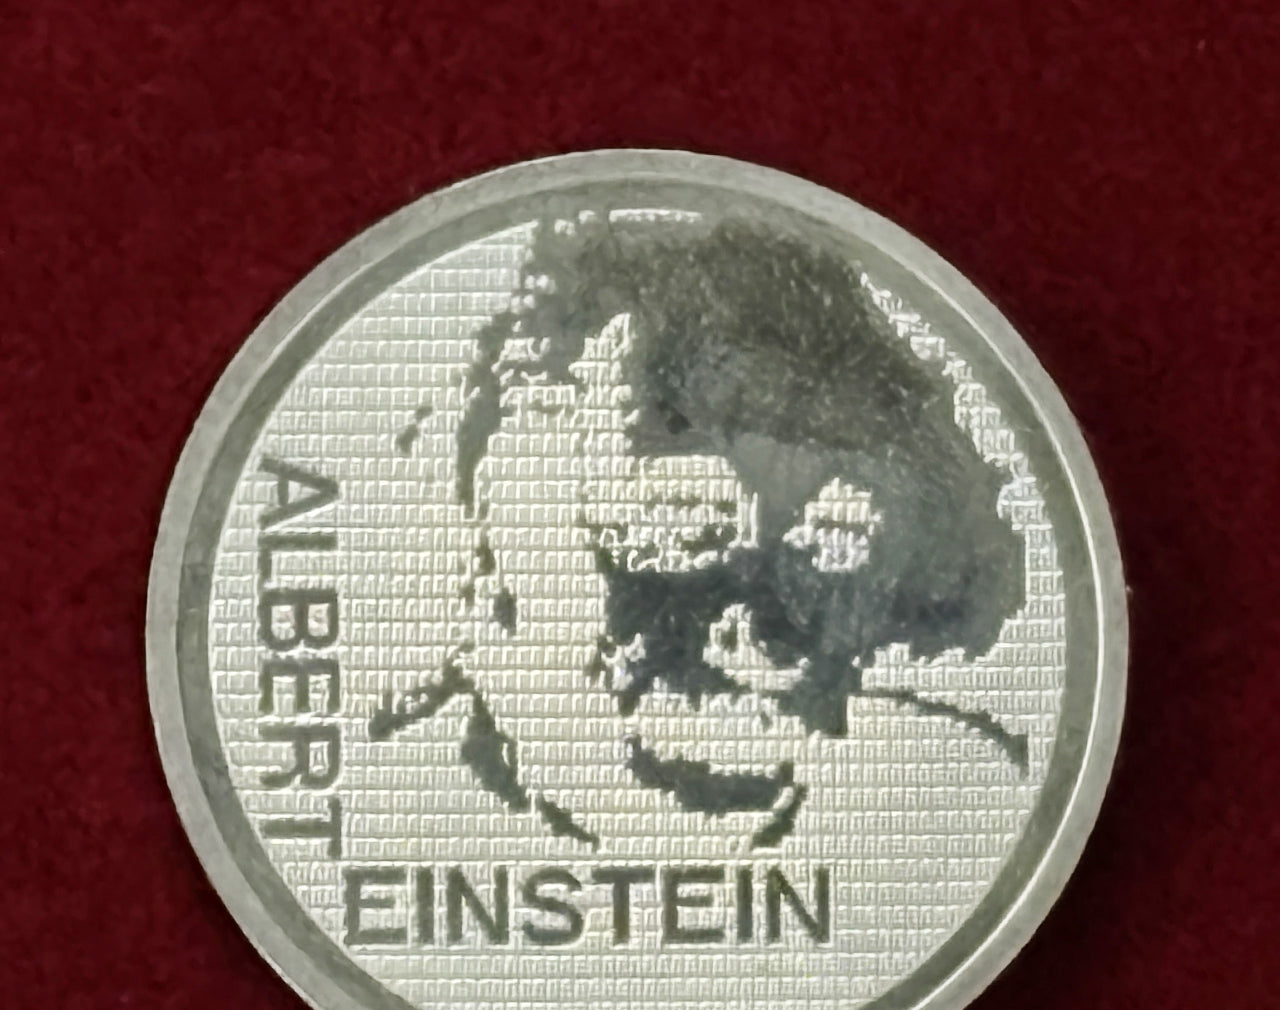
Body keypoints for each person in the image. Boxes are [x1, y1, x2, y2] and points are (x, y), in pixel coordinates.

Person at [371, 210, 1027, 852]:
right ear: (487, 543)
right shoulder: (383, 812)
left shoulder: (969, 807)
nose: (758, 643)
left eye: (826, 555)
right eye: (677, 532)